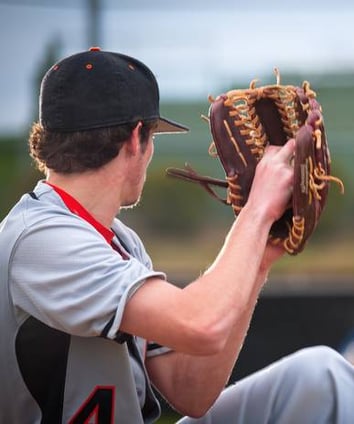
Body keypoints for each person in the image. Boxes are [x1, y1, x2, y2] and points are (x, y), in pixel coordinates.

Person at [0, 47, 353, 424]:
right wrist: (257, 210)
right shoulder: (39, 239)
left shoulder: (119, 242)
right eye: (153, 136)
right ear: (137, 138)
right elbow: (202, 325)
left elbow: (190, 390)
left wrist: (260, 258)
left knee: (319, 377)